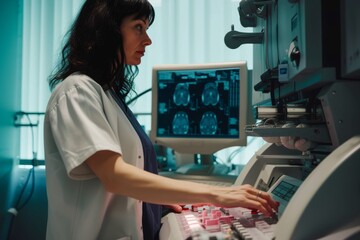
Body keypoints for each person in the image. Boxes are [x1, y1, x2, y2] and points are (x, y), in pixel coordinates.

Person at [44, 0, 279, 239]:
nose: (147, 40)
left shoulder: (107, 94)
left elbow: (124, 187)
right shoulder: (75, 92)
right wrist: (216, 194)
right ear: (107, 29)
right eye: (138, 27)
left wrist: (158, 203)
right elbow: (114, 176)